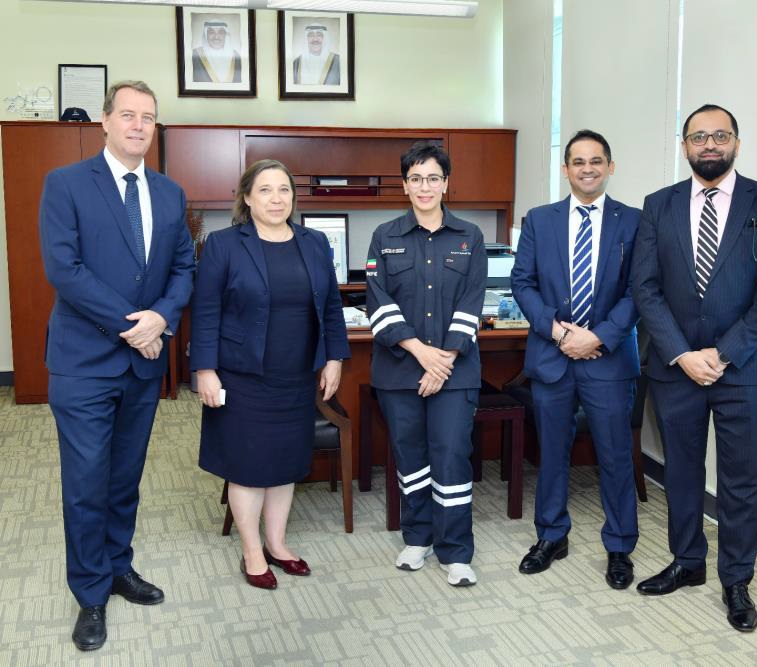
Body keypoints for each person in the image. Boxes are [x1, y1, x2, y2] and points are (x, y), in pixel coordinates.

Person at [39, 81, 195, 651]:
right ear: (105, 121)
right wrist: (137, 326)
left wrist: (162, 317)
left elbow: (183, 269)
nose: (138, 126)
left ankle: (117, 565)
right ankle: (90, 593)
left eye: (148, 117)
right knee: (86, 484)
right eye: (127, 115)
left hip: (142, 367)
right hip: (84, 363)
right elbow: (64, 269)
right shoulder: (66, 184)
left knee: (125, 478)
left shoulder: (170, 193)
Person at [631, 104, 757, 631]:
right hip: (675, 367)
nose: (709, 145)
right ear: (684, 146)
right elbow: (645, 288)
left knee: (742, 481)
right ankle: (687, 561)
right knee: (680, 472)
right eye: (698, 136)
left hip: (745, 369)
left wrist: (722, 353)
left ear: (736, 144)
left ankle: (737, 581)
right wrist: (682, 353)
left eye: (719, 135)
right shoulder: (658, 205)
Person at [190, 159, 349, 591]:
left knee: (284, 463)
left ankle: (277, 544)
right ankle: (252, 551)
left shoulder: (314, 242)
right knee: (248, 466)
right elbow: (205, 312)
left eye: (284, 190)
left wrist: (334, 357)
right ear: (247, 197)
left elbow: (331, 306)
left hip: (296, 375)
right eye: (265, 190)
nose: (276, 199)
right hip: (242, 375)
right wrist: (205, 370)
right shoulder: (224, 245)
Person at [511, 130, 641, 589]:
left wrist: (598, 337)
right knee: (552, 454)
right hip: (553, 355)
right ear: (565, 169)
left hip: (608, 359)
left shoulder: (634, 221)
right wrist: (559, 331)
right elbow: (522, 282)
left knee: (615, 456)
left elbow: (639, 290)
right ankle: (551, 536)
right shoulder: (539, 220)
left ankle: (620, 546)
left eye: (596, 161)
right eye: (579, 162)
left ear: (610, 167)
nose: (588, 169)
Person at [366, 141, 486, 587]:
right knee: (410, 457)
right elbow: (377, 301)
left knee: (451, 455)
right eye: (415, 178)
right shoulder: (385, 237)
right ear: (404, 185)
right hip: (400, 370)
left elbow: (473, 300)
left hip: (455, 372)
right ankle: (418, 538)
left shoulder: (469, 236)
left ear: (446, 183)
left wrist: (444, 360)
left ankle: (456, 550)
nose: (424, 186)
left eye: (433, 178)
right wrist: (420, 353)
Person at [192, 20, 242, 84]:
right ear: (206, 35)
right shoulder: (194, 54)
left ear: (225, 35)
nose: (216, 37)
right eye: (211, 32)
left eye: (220, 32)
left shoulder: (236, 55)